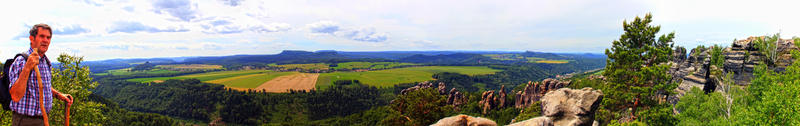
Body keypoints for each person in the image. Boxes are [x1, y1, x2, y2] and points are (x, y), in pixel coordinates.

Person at [8, 23, 73, 126]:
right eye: (42, 36)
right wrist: (27, 68)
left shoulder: (45, 61)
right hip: (26, 121)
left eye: (48, 37)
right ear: (32, 38)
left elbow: (41, 86)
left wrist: (58, 95)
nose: (46, 40)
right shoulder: (22, 61)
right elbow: (15, 96)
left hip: (44, 118)